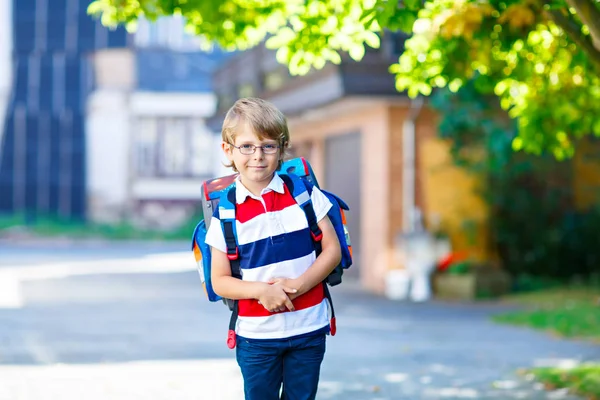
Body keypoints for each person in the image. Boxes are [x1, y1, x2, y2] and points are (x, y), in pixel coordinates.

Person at [205, 97, 342, 400]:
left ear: (282, 148)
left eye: (268, 146)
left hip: (309, 328)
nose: (258, 155)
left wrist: (297, 285)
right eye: (247, 146)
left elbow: (332, 250)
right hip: (256, 337)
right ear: (228, 150)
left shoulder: (304, 194)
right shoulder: (227, 213)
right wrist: (261, 292)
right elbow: (220, 281)